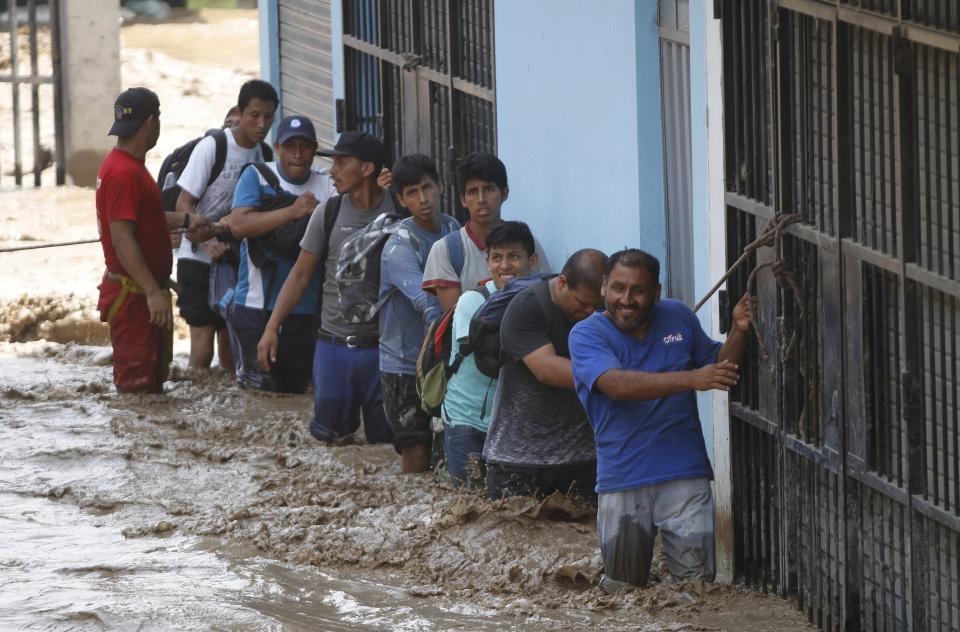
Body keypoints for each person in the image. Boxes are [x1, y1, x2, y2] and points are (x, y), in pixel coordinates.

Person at [568, 249, 753, 591]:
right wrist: (691, 379)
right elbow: (616, 385)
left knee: (695, 593)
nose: (627, 299)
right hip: (622, 478)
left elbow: (719, 365)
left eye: (638, 290)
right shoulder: (586, 335)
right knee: (621, 594)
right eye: (618, 288)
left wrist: (739, 330)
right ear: (604, 286)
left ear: (655, 291)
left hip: (685, 475)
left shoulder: (679, 317)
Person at [257, 131, 396, 445]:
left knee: (389, 448)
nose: (332, 171)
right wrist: (271, 328)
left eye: (341, 162)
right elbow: (300, 275)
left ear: (367, 169)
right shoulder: (328, 213)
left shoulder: (400, 212)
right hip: (334, 349)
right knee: (331, 447)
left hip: (386, 351)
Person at [96, 87, 211, 393]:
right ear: (151, 122)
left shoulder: (124, 166)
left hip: (140, 294)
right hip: (135, 299)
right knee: (138, 394)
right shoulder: (124, 173)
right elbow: (122, 237)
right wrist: (151, 291)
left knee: (151, 388)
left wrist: (186, 220)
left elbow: (142, 219)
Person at [482, 249, 607, 501]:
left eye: (597, 306)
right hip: (517, 458)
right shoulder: (527, 306)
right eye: (583, 304)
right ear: (562, 283)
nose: (590, 312)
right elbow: (546, 369)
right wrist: (613, 380)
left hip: (583, 458)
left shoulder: (602, 312)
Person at [226, 115, 335, 392]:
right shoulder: (258, 176)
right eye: (290, 146)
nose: (297, 154)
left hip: (308, 313)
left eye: (305, 146)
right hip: (257, 308)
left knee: (300, 393)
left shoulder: (328, 185)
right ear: (277, 148)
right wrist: (294, 211)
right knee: (260, 394)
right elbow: (238, 225)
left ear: (314, 149)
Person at [174, 79, 278, 369]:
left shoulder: (266, 156)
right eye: (254, 115)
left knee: (231, 348)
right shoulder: (214, 146)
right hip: (196, 258)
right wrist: (208, 242)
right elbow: (183, 204)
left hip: (238, 263)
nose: (261, 124)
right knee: (203, 347)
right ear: (240, 112)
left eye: (268, 117)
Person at [378, 154, 460, 472]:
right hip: (403, 368)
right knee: (417, 458)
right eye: (412, 192)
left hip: (445, 361)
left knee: (446, 458)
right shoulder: (399, 247)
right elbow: (425, 302)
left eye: (427, 187)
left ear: (440, 186)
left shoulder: (453, 230)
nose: (423, 199)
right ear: (400, 199)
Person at [443, 221, 538, 486]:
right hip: (466, 418)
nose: (504, 265)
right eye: (497, 258)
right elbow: (489, 358)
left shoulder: (540, 301)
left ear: (533, 259)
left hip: (511, 425)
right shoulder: (472, 302)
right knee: (470, 508)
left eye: (514, 257)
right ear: (488, 262)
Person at [421, 153, 549, 312]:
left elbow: (544, 298)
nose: (481, 199)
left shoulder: (528, 243)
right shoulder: (446, 250)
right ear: (463, 199)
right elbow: (455, 319)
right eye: (473, 191)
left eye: (488, 189)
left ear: (505, 193)